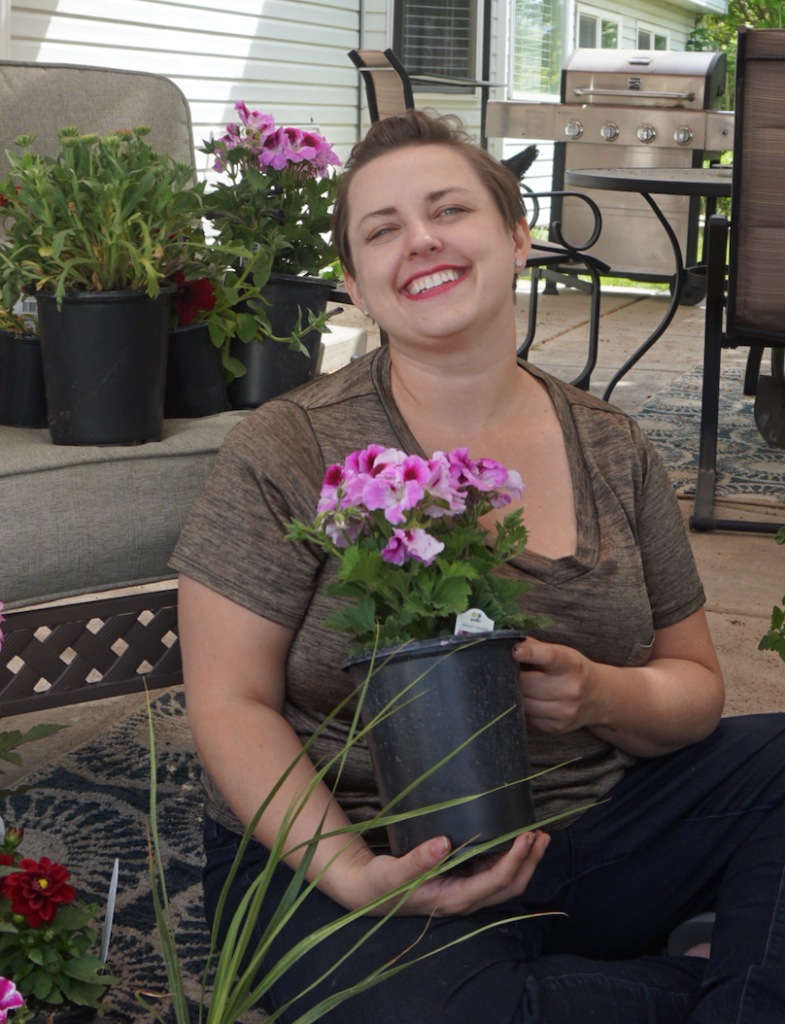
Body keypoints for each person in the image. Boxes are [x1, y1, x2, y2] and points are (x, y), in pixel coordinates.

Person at [170, 110, 785, 1023]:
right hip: (361, 855)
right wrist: (356, 873)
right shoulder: (287, 447)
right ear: (353, 281)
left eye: (448, 209)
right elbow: (229, 701)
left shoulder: (612, 446)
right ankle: (723, 970)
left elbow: (695, 687)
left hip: (594, 832)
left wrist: (599, 695)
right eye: (381, 229)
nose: (419, 240)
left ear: (516, 237)